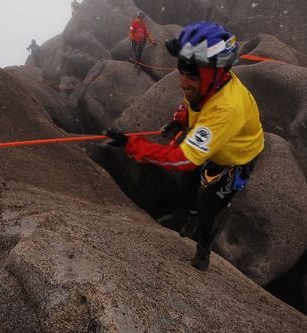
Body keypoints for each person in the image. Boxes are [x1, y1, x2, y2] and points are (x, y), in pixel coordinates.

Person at [105, 22, 264, 271]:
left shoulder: (226, 107)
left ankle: (203, 247)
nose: (182, 83)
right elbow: (187, 104)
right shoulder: (206, 84)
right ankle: (188, 216)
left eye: (189, 76)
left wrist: (131, 145)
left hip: (236, 159)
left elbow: (184, 159)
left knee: (209, 207)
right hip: (217, 144)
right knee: (186, 184)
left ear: (213, 73)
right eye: (182, 73)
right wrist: (178, 121)